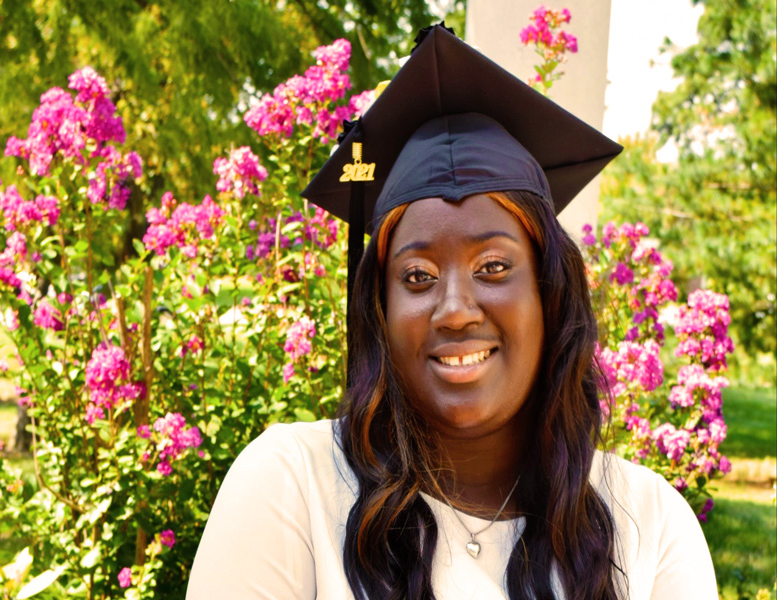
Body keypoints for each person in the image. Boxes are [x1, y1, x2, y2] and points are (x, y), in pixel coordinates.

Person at [186, 25, 717, 599]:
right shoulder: (292, 488)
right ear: (380, 312)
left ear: (549, 293)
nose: (456, 309)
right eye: (417, 276)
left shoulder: (648, 523)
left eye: (494, 266)